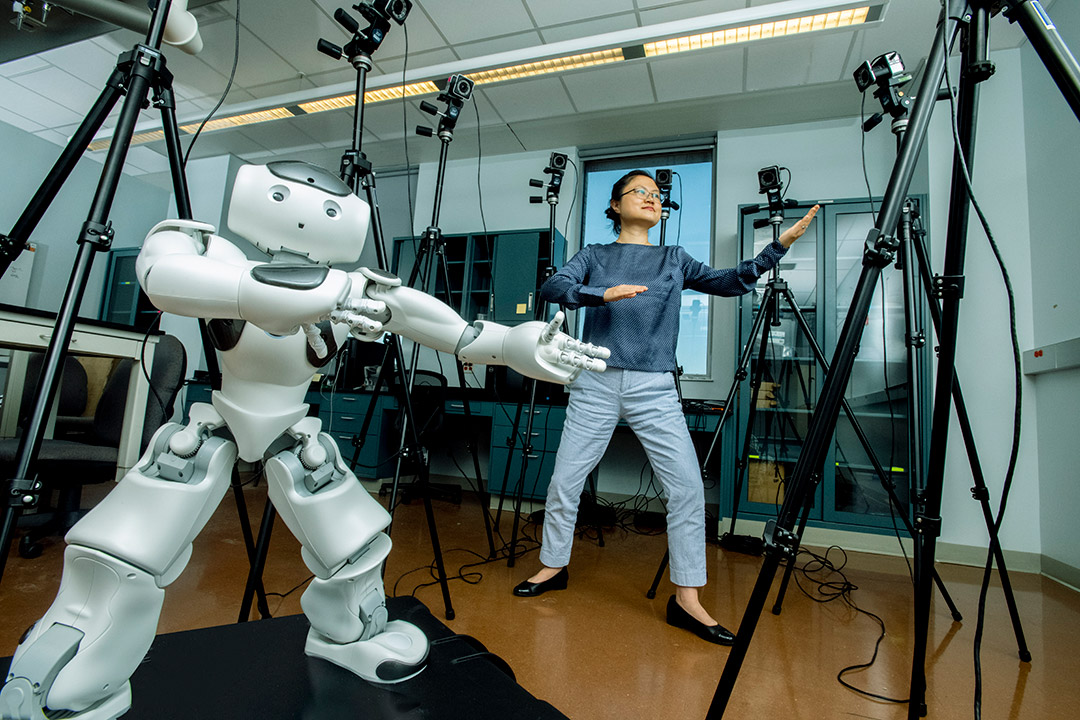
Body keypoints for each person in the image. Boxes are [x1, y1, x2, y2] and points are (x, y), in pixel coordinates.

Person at [511, 169, 818, 645]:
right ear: (614, 206)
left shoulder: (673, 258)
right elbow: (554, 288)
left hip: (654, 387)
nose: (652, 199)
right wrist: (600, 293)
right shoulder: (594, 255)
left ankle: (688, 599)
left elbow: (731, 282)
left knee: (687, 490)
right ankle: (553, 566)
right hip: (594, 382)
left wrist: (778, 247)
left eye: (656, 195)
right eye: (640, 192)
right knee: (565, 481)